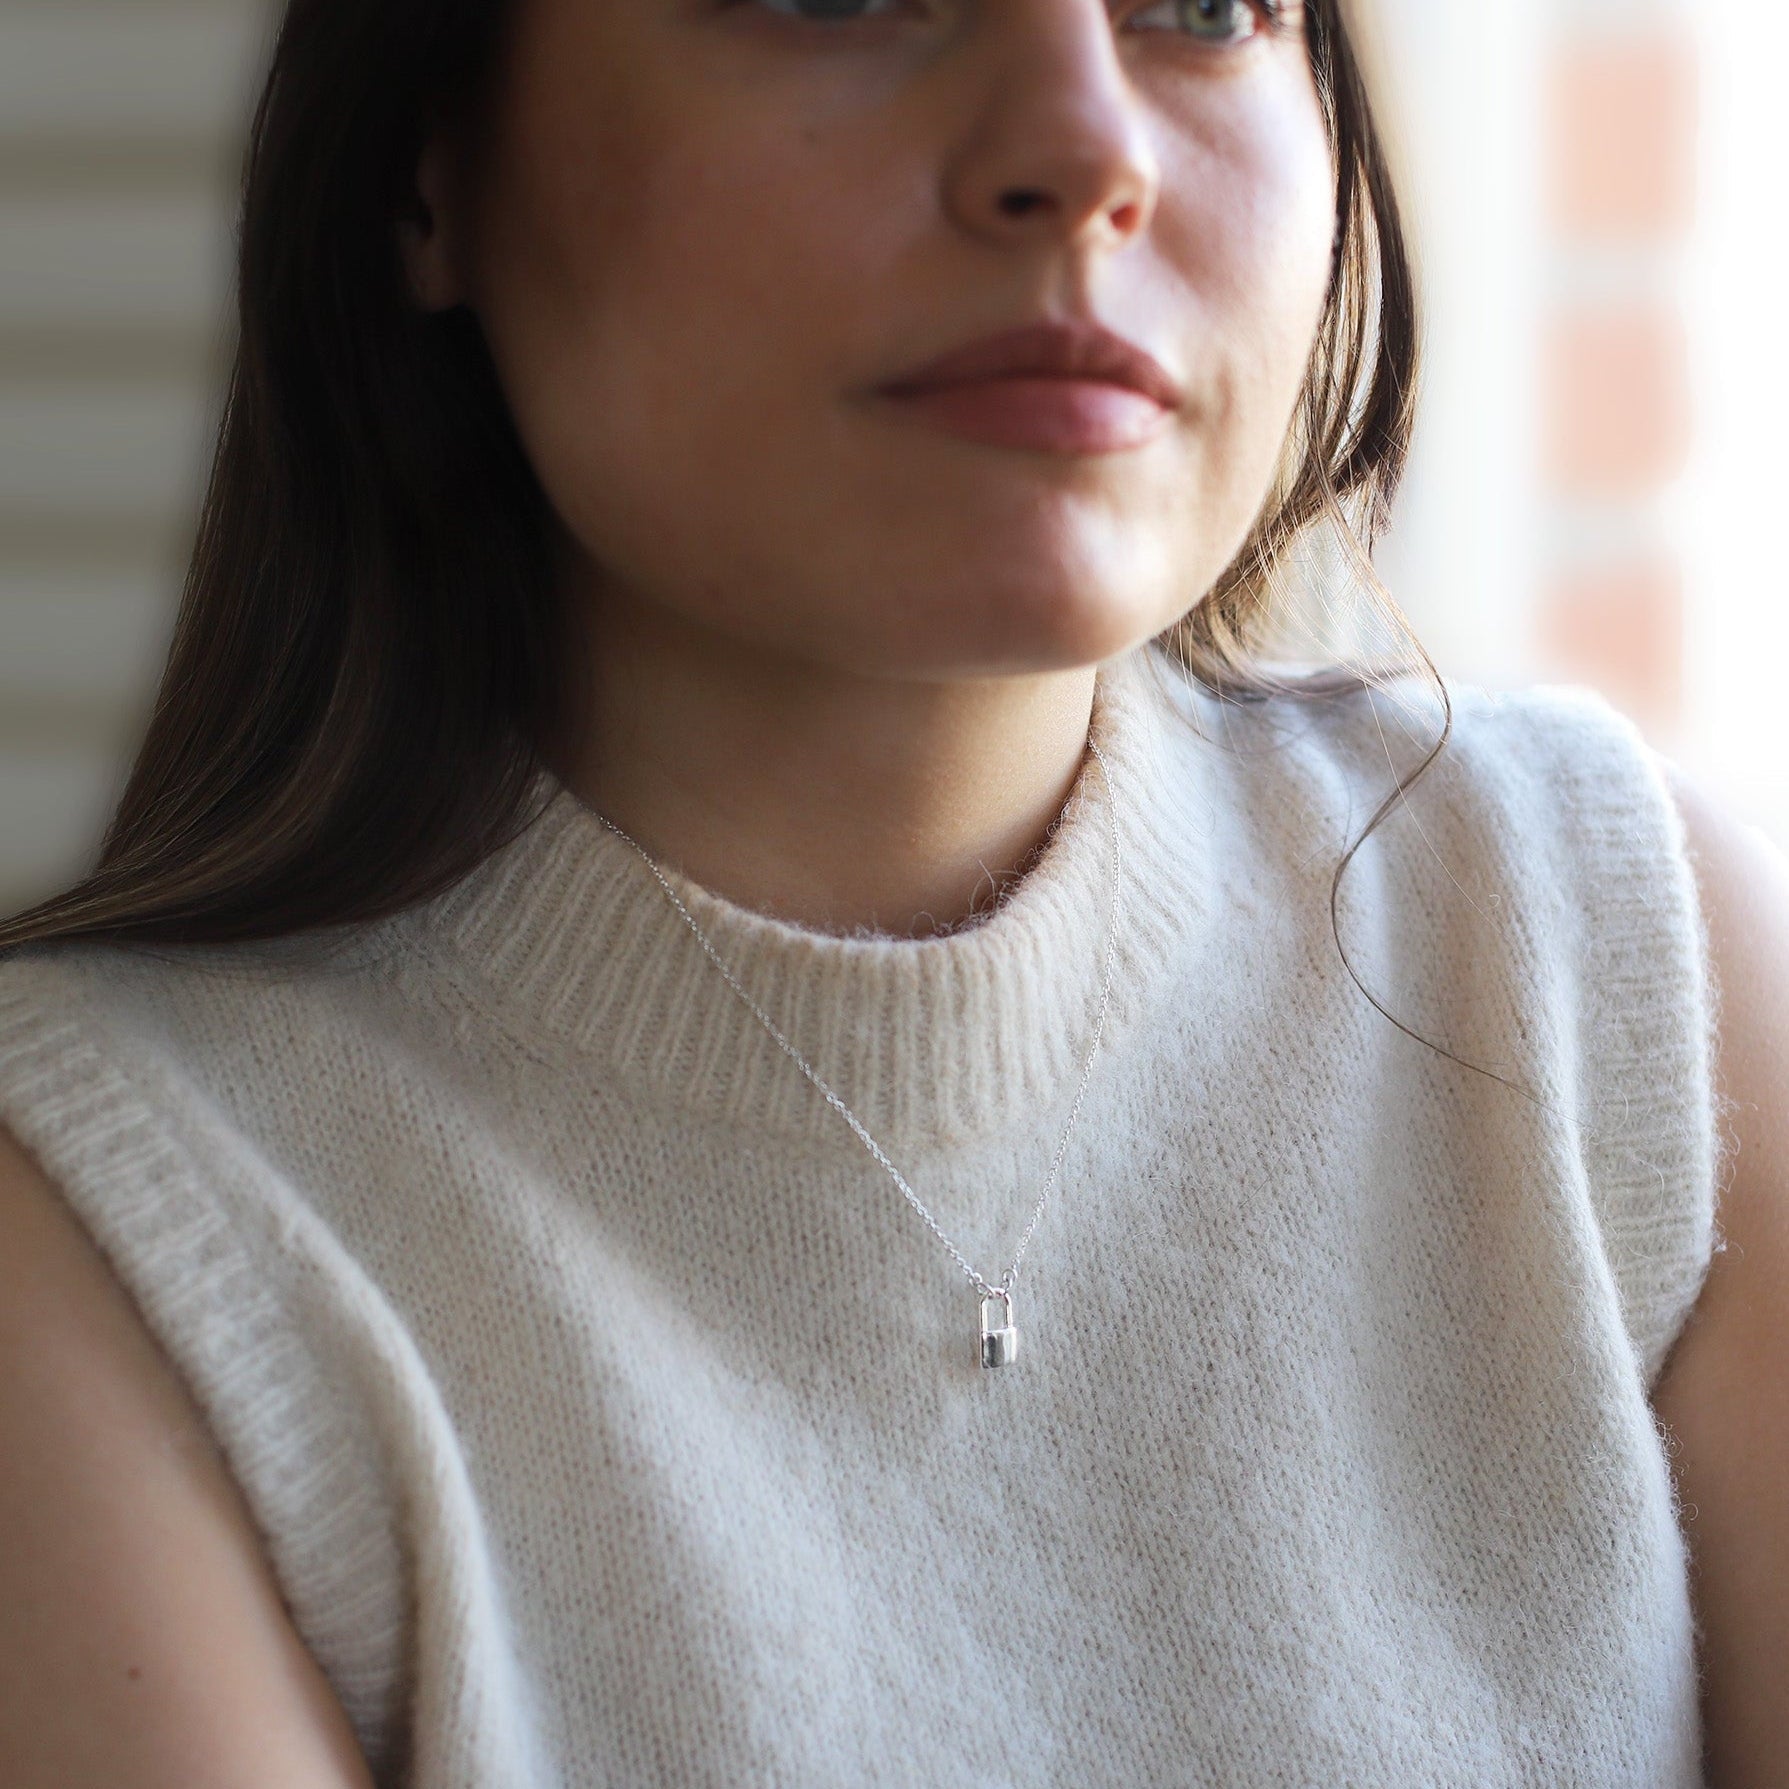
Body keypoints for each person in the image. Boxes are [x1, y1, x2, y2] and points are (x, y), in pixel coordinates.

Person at [0, 0, 1783, 1782]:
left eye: (1200, 8)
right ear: (425, 164)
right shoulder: (108, 1243)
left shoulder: (1614, 960)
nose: (1083, 149)